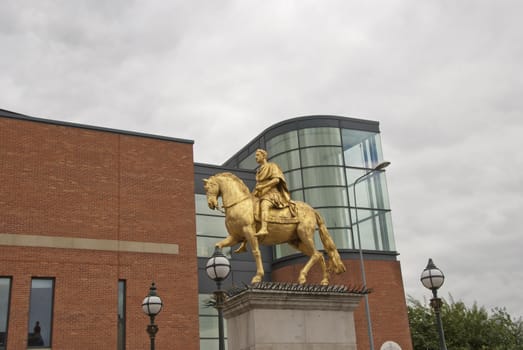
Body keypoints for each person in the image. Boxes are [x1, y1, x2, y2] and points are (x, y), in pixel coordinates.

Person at [252, 149, 295, 237]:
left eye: (257, 155)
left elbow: (276, 180)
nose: (255, 157)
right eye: (255, 155)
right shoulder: (259, 171)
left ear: (263, 156)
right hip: (261, 194)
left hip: (272, 194)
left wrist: (263, 187)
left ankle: (264, 228)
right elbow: (258, 186)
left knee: (264, 204)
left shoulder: (272, 166)